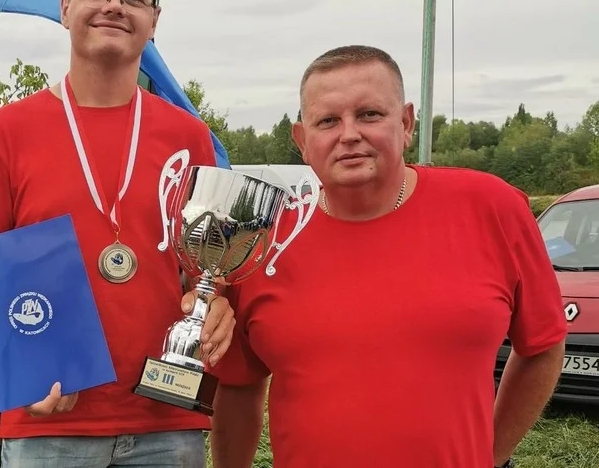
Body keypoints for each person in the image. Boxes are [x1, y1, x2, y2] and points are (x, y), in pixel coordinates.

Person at [208, 45, 568, 468]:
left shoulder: (492, 207)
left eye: (369, 114)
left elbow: (543, 345)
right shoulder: (262, 242)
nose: (349, 134)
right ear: (302, 141)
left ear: (407, 123)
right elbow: (238, 385)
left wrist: (490, 454)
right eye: (327, 120)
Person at [0, 0, 235, 468]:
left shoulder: (187, 136)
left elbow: (205, 268)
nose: (115, 5)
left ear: (154, 19)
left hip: (166, 418)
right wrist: (24, 374)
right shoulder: (7, 132)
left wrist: (216, 301)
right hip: (50, 419)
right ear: (64, 7)